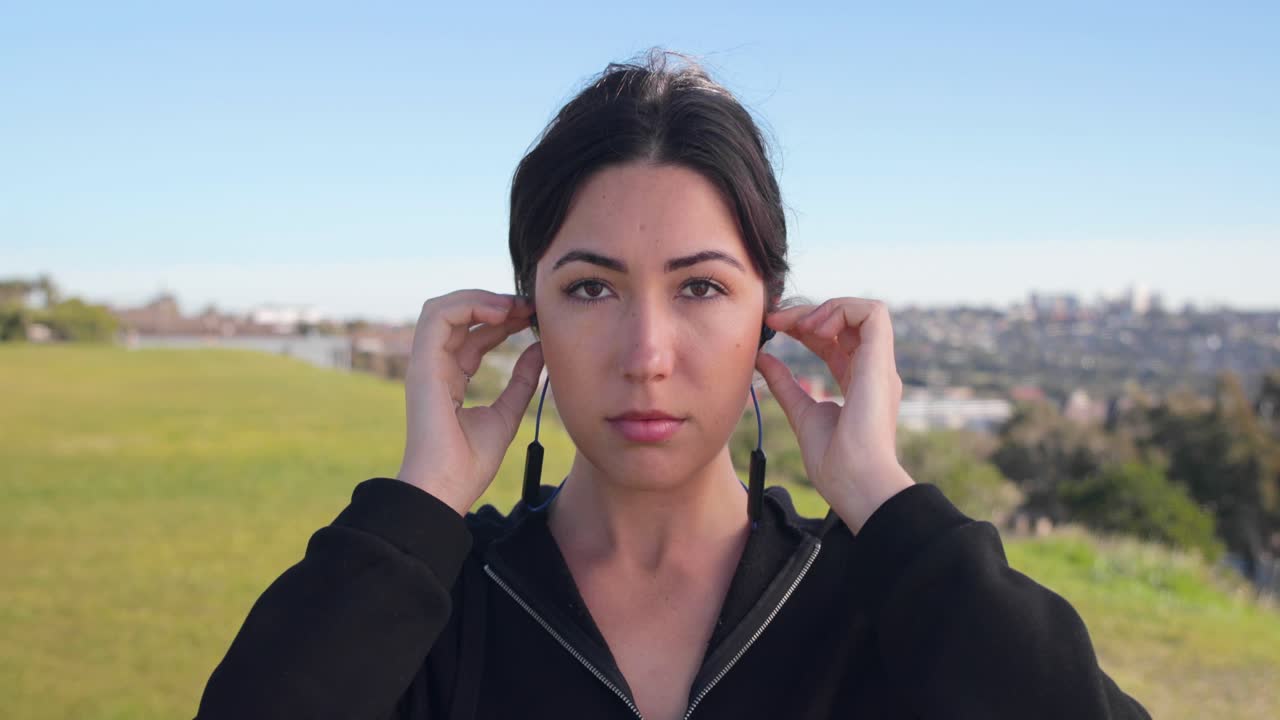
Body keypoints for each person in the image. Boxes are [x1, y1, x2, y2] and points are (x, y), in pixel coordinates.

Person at [194, 50, 1152, 720]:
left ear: (768, 315)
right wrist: (419, 505)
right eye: (590, 288)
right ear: (527, 313)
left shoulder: (881, 606)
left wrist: (884, 503)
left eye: (700, 287)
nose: (646, 352)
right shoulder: (433, 607)